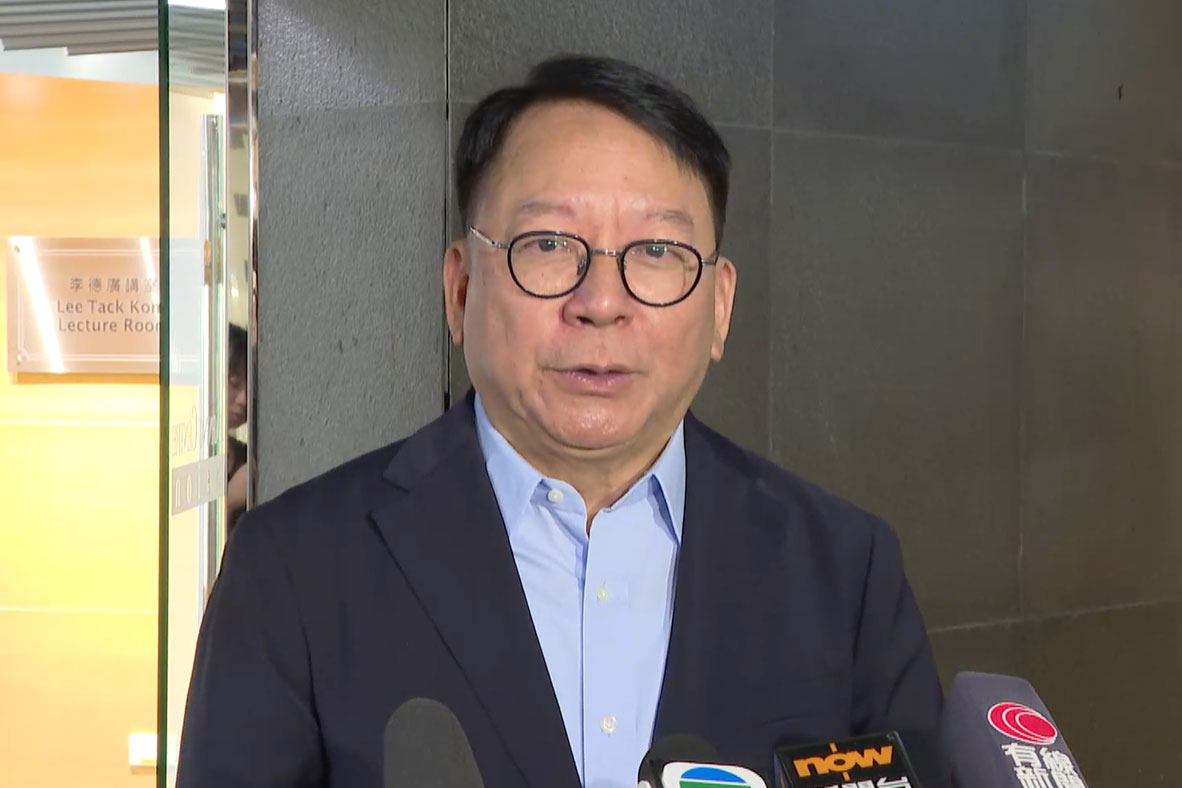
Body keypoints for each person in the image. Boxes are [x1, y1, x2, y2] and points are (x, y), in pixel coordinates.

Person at [176, 55, 946, 788]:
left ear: (720, 307)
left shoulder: (845, 571)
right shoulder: (291, 569)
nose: (601, 303)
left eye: (657, 250)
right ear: (460, 291)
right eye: (547, 245)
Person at [225, 323, 249, 532]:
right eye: (234, 384)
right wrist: (231, 498)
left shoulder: (246, 456)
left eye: (249, 387)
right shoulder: (182, 455)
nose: (243, 399)